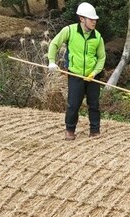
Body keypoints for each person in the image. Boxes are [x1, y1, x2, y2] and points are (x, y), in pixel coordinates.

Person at [47, 2, 106, 141]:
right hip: (75, 75)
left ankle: (95, 130)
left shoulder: (97, 37)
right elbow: (54, 44)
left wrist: (95, 72)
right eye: (91, 19)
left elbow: (102, 57)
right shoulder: (69, 31)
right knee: (73, 104)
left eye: (95, 19)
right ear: (81, 18)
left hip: (92, 77)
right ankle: (70, 130)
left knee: (94, 104)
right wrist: (51, 61)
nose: (94, 22)